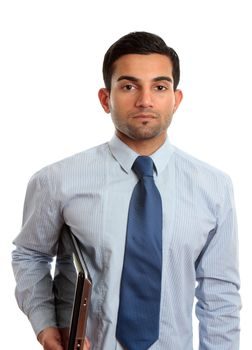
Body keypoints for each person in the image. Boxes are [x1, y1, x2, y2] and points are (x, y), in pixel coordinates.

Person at [12, 31, 241, 350]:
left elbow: (220, 296)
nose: (145, 100)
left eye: (159, 87)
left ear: (176, 99)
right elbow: (31, 254)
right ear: (106, 99)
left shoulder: (214, 187)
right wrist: (44, 323)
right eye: (129, 86)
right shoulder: (58, 180)